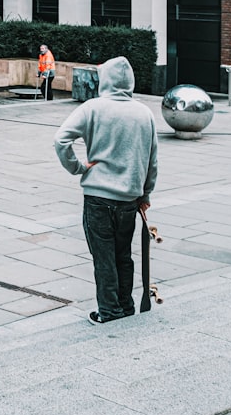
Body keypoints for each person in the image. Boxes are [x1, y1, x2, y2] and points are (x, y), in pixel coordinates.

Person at [53, 56, 159, 324]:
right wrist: (145, 194)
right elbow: (152, 160)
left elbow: (61, 139)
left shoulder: (93, 108)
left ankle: (108, 311)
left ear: (106, 80)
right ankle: (126, 306)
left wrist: (77, 167)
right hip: (129, 199)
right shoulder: (144, 113)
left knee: (103, 257)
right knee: (123, 255)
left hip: (98, 197)